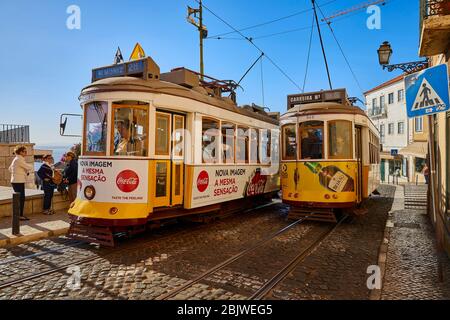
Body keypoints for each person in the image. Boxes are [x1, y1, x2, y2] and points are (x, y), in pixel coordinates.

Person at [8, 145, 34, 221]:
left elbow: (10, 169)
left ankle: (20, 215)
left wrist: (19, 172)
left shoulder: (17, 159)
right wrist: (28, 168)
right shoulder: (19, 159)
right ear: (20, 152)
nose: (26, 153)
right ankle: (19, 216)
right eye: (25, 151)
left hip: (17, 181)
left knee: (20, 198)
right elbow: (28, 167)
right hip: (18, 181)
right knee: (21, 199)